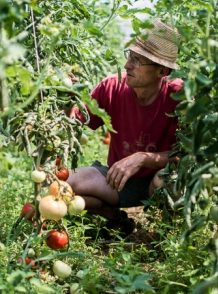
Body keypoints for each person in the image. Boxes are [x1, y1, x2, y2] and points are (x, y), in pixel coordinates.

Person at [65, 18, 183, 237]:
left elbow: (189, 155)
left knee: (173, 180)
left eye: (137, 61)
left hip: (157, 181)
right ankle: (114, 218)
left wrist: (143, 158)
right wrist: (67, 98)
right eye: (129, 56)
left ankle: (166, 237)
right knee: (64, 184)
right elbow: (77, 122)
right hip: (117, 181)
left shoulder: (180, 97)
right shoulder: (111, 87)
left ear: (162, 70)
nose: (128, 65)